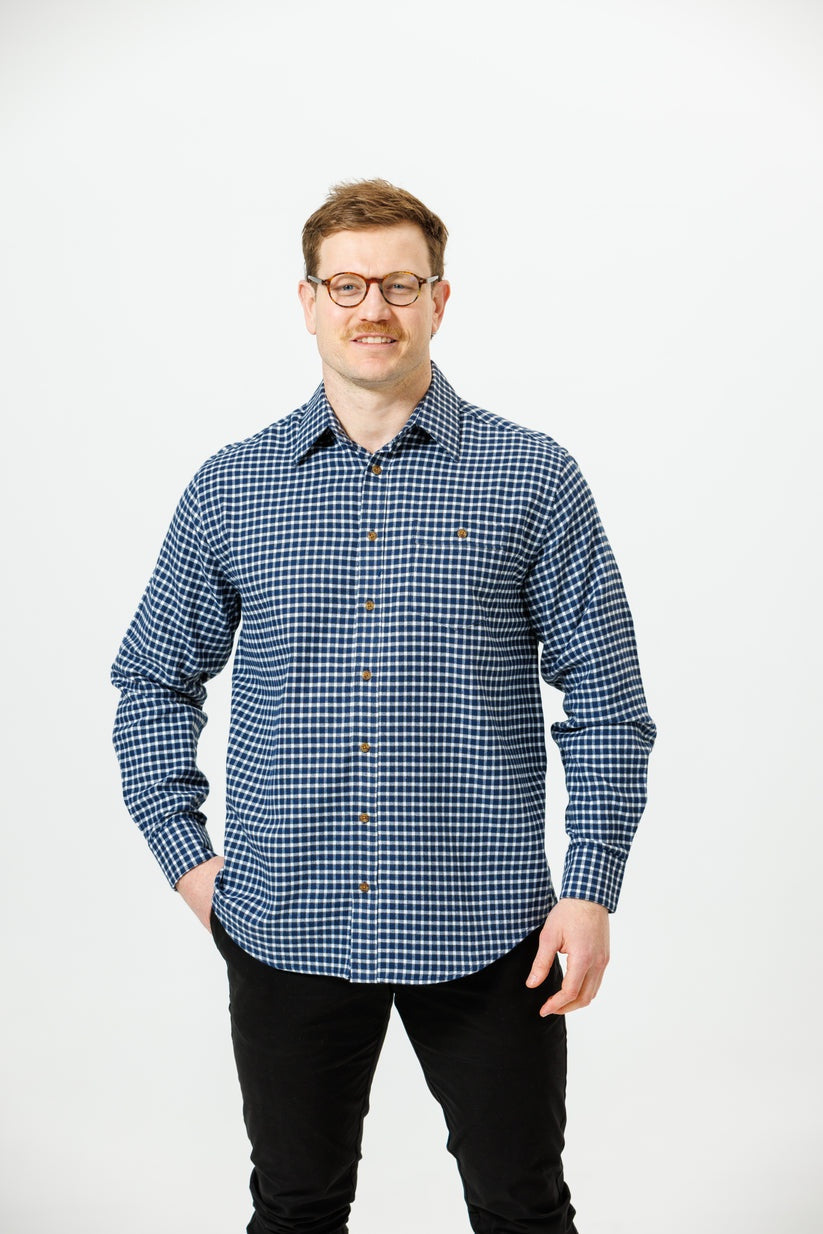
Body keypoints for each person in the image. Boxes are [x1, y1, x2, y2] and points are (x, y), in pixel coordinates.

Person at [112, 178, 656, 1234]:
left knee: (523, 1205)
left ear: (440, 300)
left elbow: (605, 695)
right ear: (308, 301)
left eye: (399, 284)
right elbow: (153, 679)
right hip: (284, 921)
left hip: (493, 928)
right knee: (296, 1204)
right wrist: (188, 859)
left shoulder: (532, 476)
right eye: (348, 285)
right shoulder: (233, 487)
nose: (374, 309)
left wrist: (589, 888)